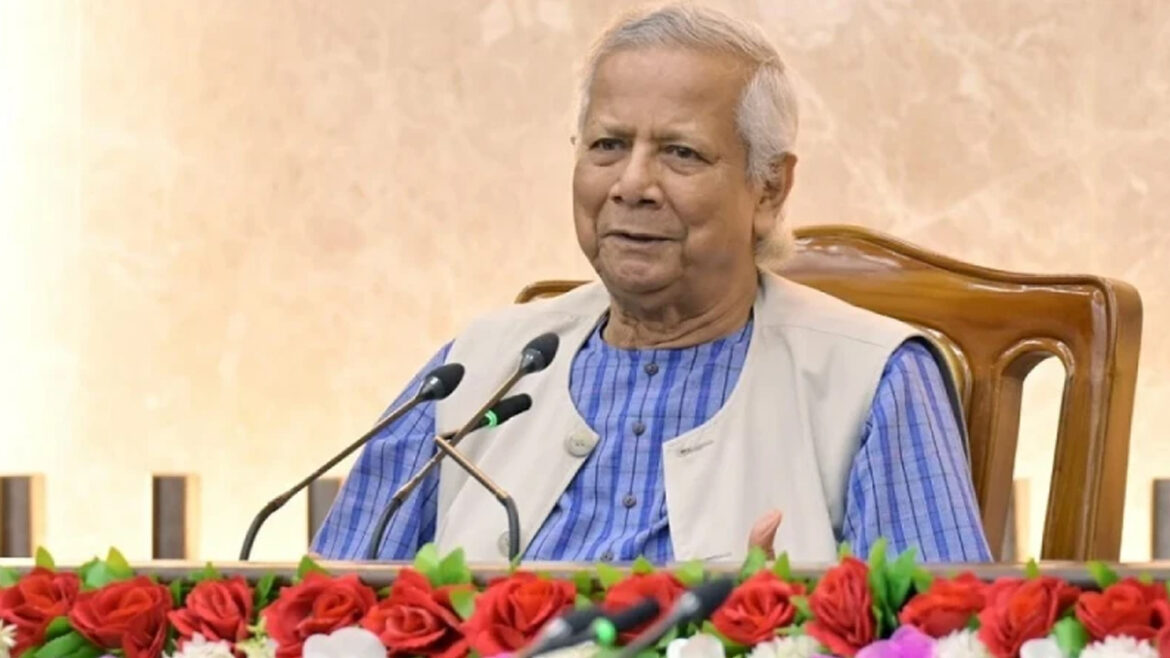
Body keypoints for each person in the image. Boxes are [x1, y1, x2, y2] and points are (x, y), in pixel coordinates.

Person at [313, 4, 990, 564]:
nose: (632, 184)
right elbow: (324, 616)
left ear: (768, 188)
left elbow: (946, 634)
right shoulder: (476, 369)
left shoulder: (875, 380)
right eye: (607, 145)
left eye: (680, 152)